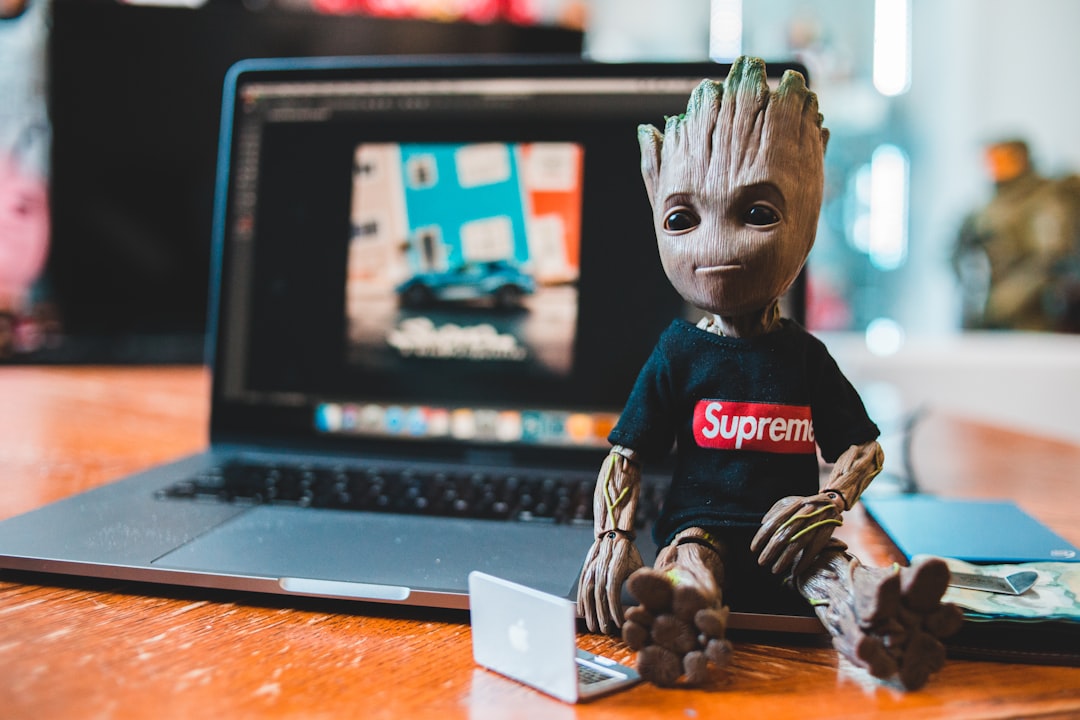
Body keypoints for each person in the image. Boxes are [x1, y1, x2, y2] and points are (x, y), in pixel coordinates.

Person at [575, 57, 961, 691]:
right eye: (681, 220)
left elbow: (862, 447)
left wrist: (828, 503)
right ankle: (682, 621)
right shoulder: (678, 353)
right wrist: (613, 534)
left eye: (756, 213)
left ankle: (884, 622)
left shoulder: (803, 357)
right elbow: (627, 452)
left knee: (834, 571)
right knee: (690, 563)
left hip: (793, 538)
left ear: (807, 215)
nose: (715, 247)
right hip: (698, 530)